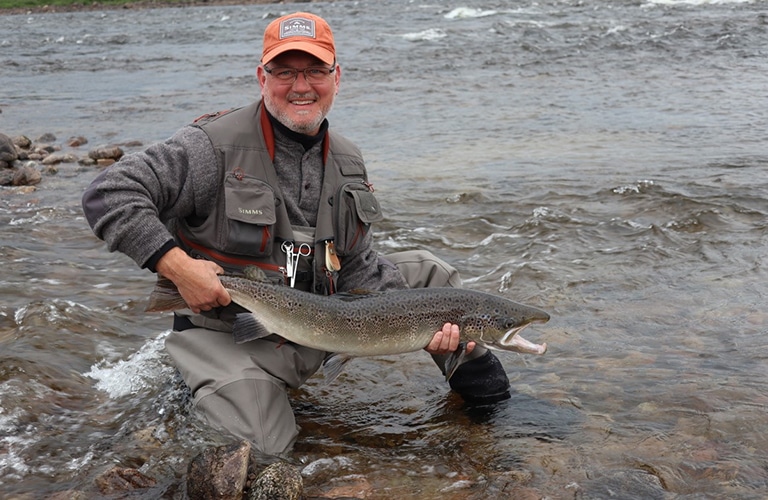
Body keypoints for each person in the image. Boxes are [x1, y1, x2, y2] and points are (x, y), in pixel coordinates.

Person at [82, 11, 510, 456]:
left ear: (337, 77)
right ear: (261, 77)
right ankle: (213, 384)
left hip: (324, 322)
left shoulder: (347, 159)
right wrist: (179, 269)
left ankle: (492, 411)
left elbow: (359, 269)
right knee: (262, 452)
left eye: (315, 71)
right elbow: (108, 194)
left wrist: (430, 326)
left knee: (434, 279)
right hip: (231, 331)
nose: (301, 86)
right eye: (285, 72)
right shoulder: (209, 146)